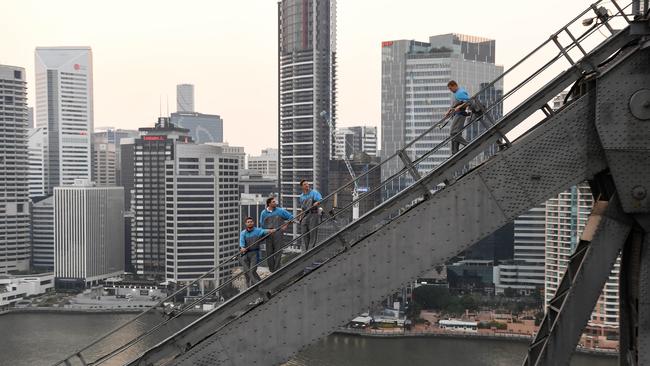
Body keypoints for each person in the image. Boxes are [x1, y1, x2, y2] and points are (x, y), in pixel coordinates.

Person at [239, 217, 276, 288]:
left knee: (252, 270)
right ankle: (248, 287)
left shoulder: (258, 231)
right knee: (246, 272)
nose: (250, 223)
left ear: (253, 223)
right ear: (246, 223)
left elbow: (264, 231)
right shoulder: (243, 233)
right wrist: (242, 247)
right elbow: (242, 242)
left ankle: (260, 285)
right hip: (245, 254)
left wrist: (271, 230)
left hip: (254, 253)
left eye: (251, 221)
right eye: (248, 222)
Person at [259, 196, 293, 272]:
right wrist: (265, 233)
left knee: (278, 252)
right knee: (269, 253)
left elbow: (291, 217)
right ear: (269, 203)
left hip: (278, 234)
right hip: (268, 235)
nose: (275, 203)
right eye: (273, 202)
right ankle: (272, 270)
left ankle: (277, 270)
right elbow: (262, 225)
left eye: (275, 201)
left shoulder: (280, 211)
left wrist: (286, 225)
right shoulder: (263, 213)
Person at [445, 80, 471, 154]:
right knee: (455, 133)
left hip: (460, 115)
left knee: (453, 133)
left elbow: (468, 102)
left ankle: (467, 145)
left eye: (451, 88)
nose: (450, 90)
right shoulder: (457, 93)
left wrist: (459, 106)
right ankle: (454, 151)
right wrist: (449, 111)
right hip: (457, 114)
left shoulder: (460, 93)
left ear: (454, 86)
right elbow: (456, 104)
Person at [298, 179, 322, 252]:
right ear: (302, 186)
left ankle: (310, 250)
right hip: (305, 215)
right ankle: (305, 251)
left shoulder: (314, 192)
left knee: (312, 233)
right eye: (305, 184)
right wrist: (300, 217)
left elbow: (320, 199)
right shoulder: (301, 196)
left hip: (313, 214)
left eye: (307, 184)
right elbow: (302, 208)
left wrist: (317, 202)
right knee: (304, 232)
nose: (307, 185)